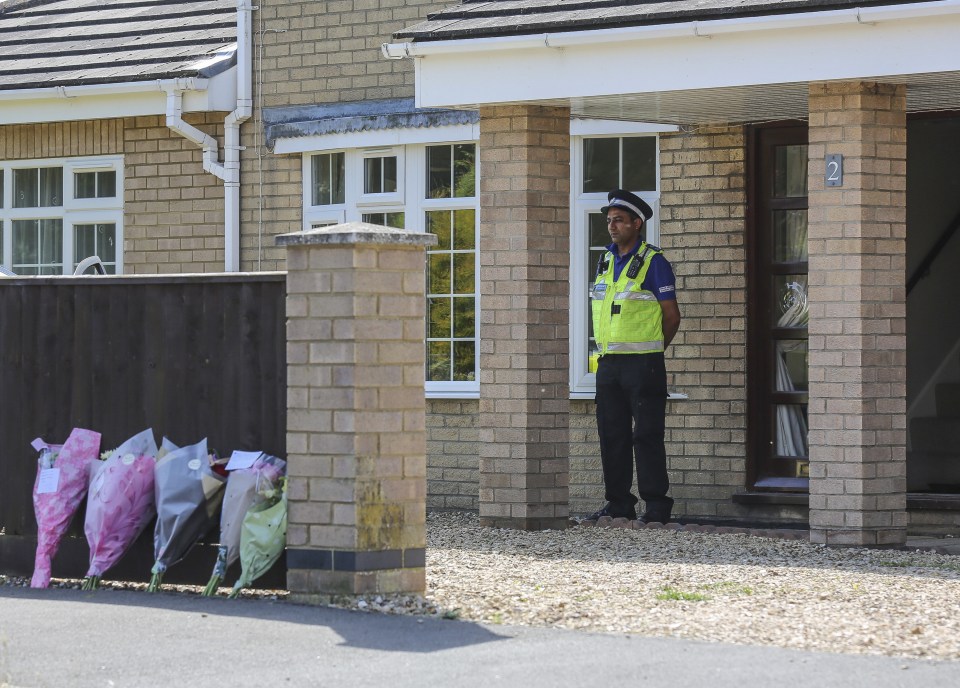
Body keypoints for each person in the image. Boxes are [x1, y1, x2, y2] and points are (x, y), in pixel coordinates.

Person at [586, 189, 681, 524]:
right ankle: (619, 503)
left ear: (637, 224)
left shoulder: (654, 263)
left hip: (644, 363)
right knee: (612, 434)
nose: (612, 226)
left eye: (619, 220)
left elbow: (672, 316)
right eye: (609, 221)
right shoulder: (606, 260)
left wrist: (655, 349)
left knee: (647, 435)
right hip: (609, 364)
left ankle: (656, 505)